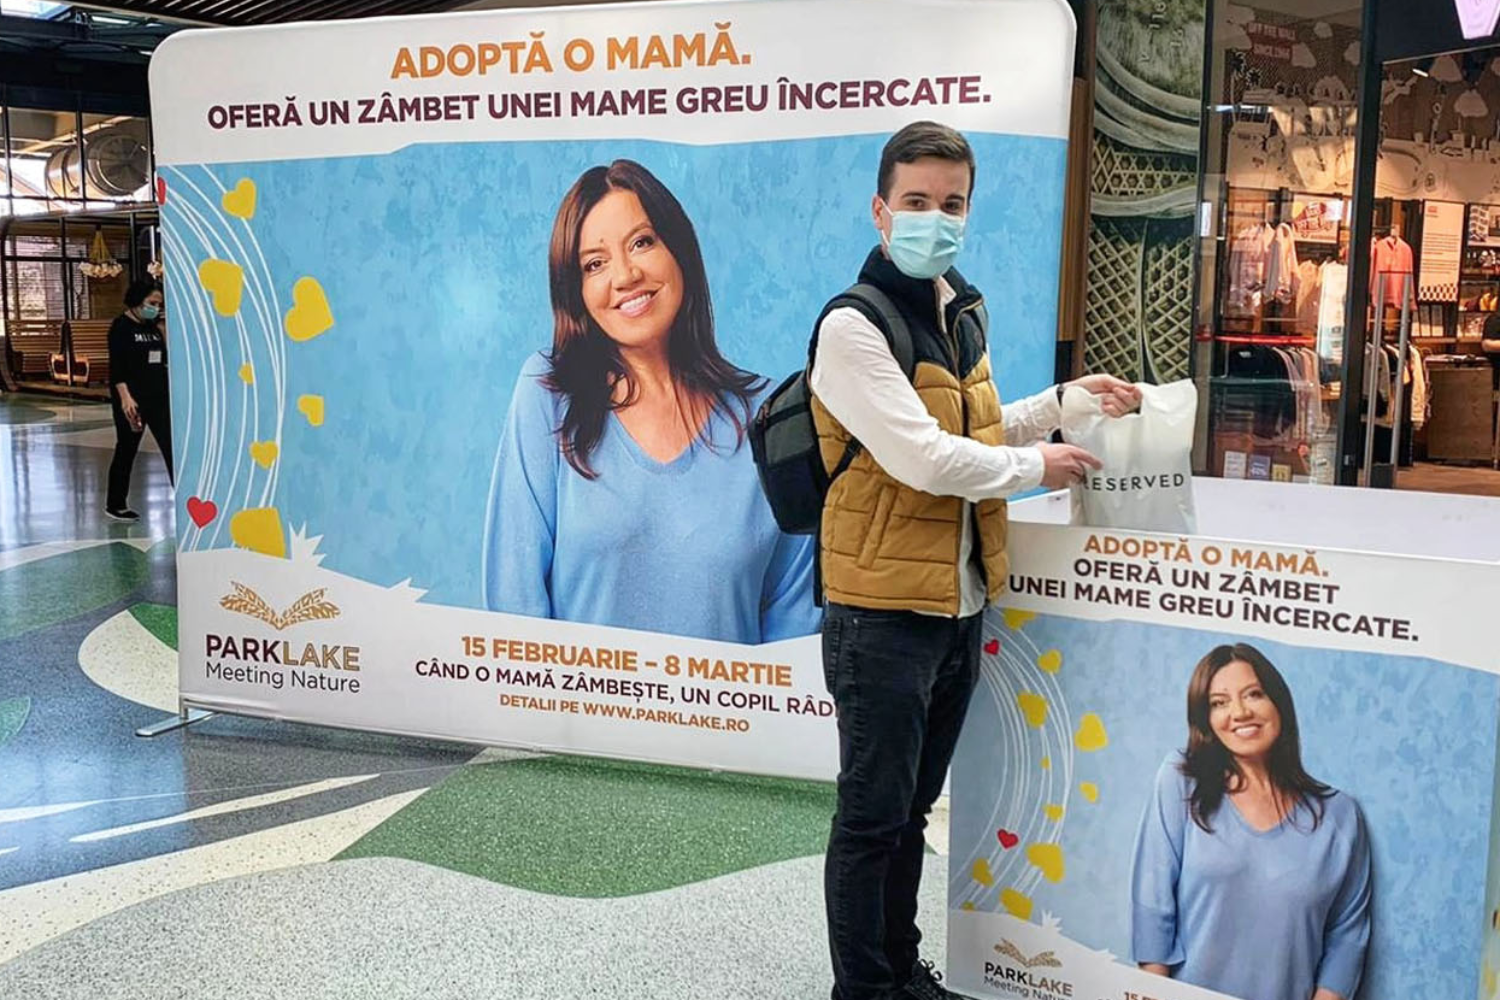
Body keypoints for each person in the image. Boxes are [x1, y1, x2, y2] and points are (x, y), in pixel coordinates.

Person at [811, 121, 1139, 1000]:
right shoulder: (852, 326)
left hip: (955, 603)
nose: (935, 218)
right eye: (916, 201)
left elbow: (978, 432)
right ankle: (864, 989)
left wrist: (1065, 401)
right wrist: (1038, 468)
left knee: (912, 812)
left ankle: (900, 972)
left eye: (951, 203)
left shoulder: (959, 309)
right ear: (881, 210)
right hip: (879, 613)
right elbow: (924, 457)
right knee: (871, 817)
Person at [483, 158, 819, 644]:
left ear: (678, 249)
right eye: (594, 264)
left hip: (728, 700)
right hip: (575, 698)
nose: (625, 275)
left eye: (642, 242)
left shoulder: (773, 416)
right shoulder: (549, 395)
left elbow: (795, 623)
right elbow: (515, 611)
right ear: (577, 292)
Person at [1132, 643, 1372, 1000]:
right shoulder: (1182, 781)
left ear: (1279, 703)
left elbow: (1347, 936)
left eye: (1254, 694)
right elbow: (1152, 904)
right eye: (1219, 703)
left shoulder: (1340, 815)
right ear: (1207, 719)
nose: (1239, 712)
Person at [106, 279, 173, 521]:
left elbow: (164, 358)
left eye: (159, 304)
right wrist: (125, 398)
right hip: (132, 400)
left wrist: (163, 329)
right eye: (151, 303)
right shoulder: (121, 327)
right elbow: (117, 368)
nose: (155, 308)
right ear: (137, 300)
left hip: (158, 397)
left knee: (171, 447)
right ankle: (116, 504)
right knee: (127, 448)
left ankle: (184, 495)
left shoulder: (153, 326)